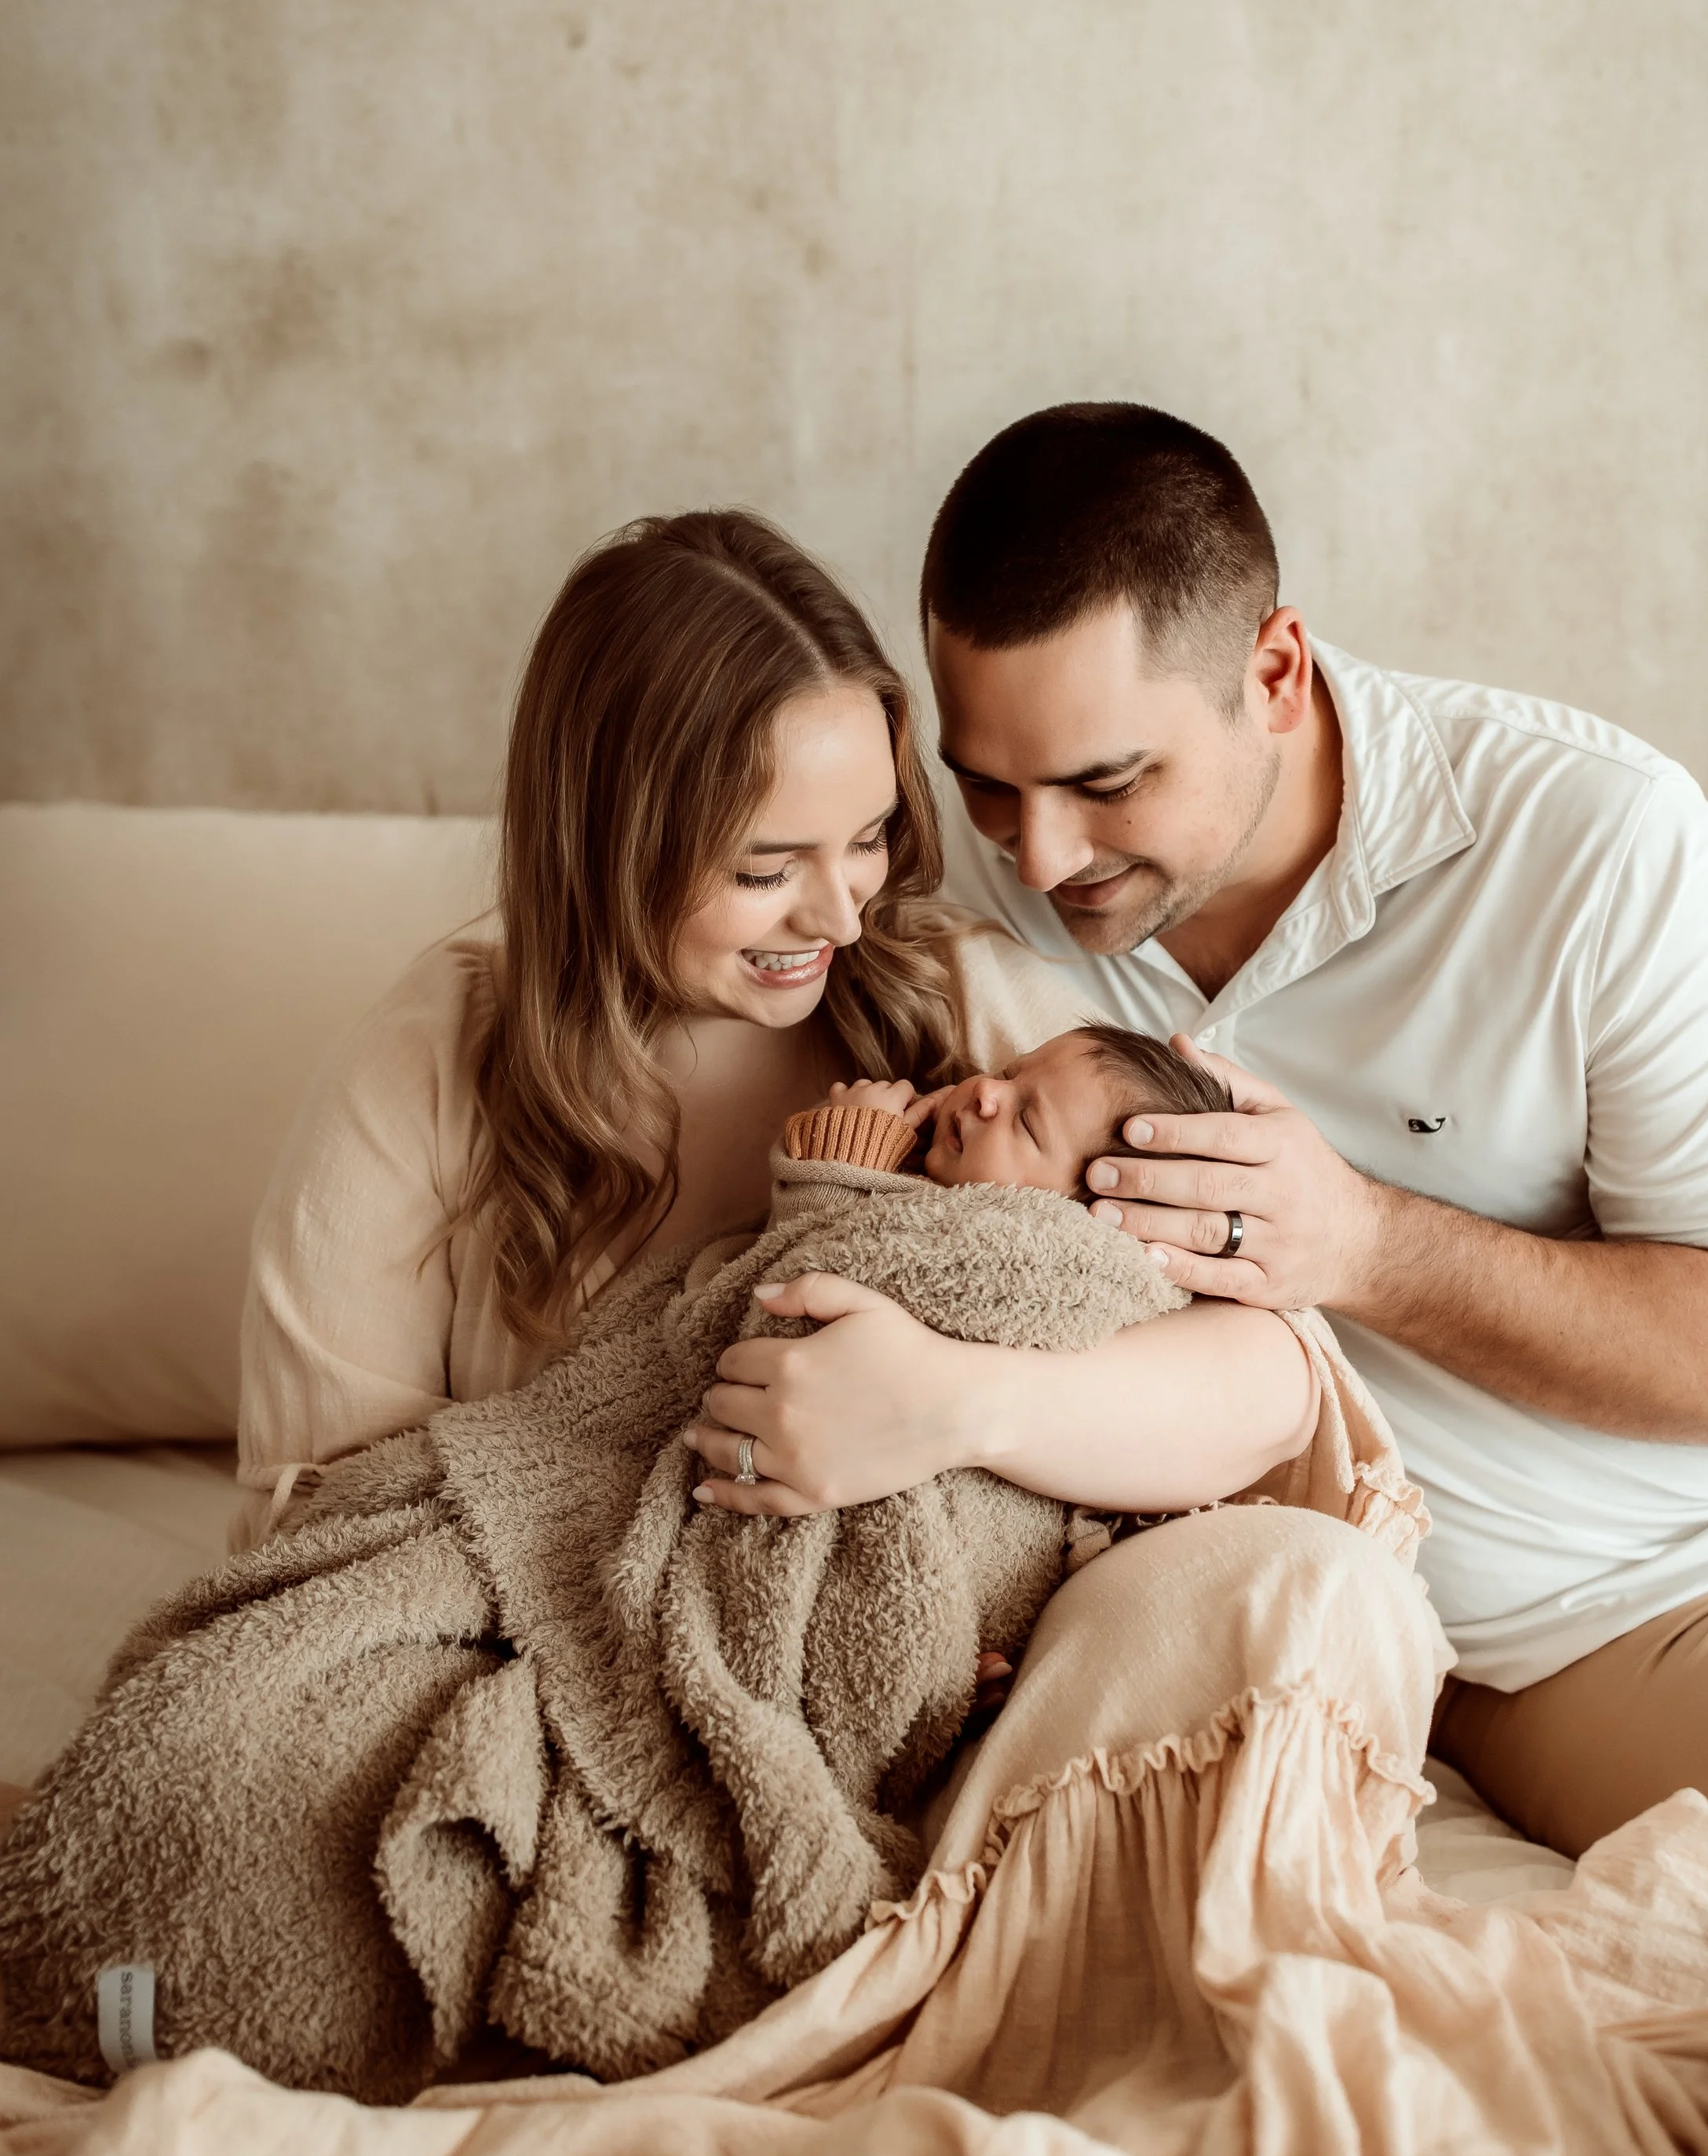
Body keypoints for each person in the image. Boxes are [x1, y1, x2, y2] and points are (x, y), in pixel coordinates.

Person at [716, 399, 1708, 1929]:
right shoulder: (942, 907)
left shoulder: (1588, 839)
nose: (1039, 856)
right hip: (1590, 1624)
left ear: (1275, 672)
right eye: (988, 785)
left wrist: (1363, 1243)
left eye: (1109, 782)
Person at [235, 507, 1319, 1540]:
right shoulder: (433, 1056)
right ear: (606, 849)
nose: (844, 916)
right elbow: (320, 1510)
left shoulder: (954, 992)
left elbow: (1273, 1376)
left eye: (868, 838)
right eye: (765, 870)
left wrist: (958, 1404)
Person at [787, 1023, 1234, 1196]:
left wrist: (846, 1154)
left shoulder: (1007, 1258)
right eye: (1007, 1073)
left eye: (1025, 1122)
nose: (986, 1090)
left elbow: (811, 1260)